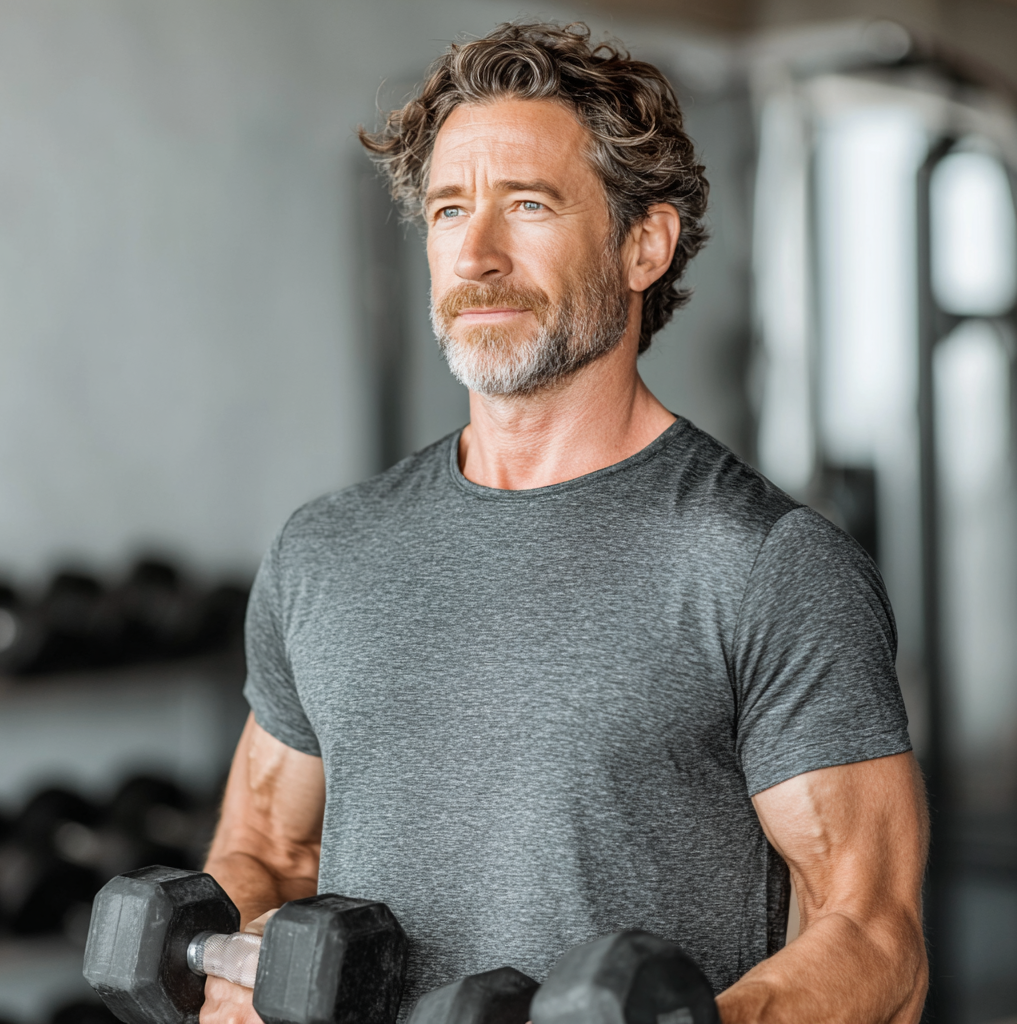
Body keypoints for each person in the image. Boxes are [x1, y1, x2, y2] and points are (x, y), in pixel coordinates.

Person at [201, 21, 928, 1024]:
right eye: (449, 209)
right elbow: (268, 850)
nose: (478, 254)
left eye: (528, 205)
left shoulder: (762, 563)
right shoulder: (326, 553)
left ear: (643, 244)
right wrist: (234, 967)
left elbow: (868, 930)